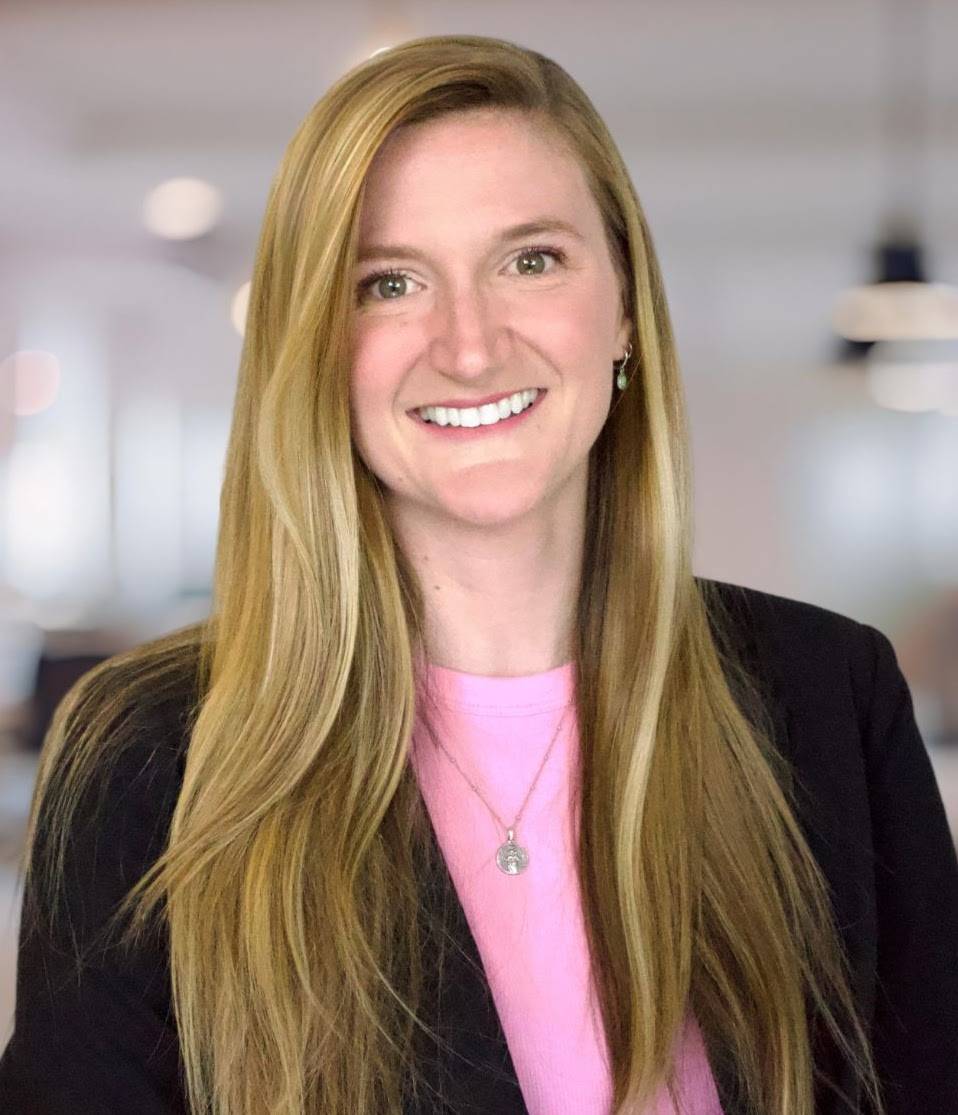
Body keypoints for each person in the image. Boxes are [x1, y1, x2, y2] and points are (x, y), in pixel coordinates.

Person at [1, 33, 956, 1115]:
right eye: (390, 282)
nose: (467, 344)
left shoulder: (829, 693)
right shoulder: (145, 751)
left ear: (628, 310)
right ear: (314, 344)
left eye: (530, 259)